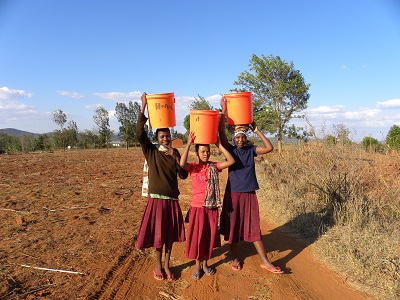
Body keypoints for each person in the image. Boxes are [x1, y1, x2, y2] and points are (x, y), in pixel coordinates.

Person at [218, 96, 284, 274]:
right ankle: (234, 256)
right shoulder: (229, 150)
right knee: (233, 225)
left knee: (254, 226)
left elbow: (269, 148)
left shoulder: (251, 150)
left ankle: (265, 261)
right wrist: (223, 111)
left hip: (249, 194)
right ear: (233, 138)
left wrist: (257, 130)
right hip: (233, 194)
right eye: (237, 137)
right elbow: (221, 134)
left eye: (242, 137)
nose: (240, 140)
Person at [135, 92, 188, 282]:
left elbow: (183, 175)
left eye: (168, 136)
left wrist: (176, 157)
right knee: (158, 236)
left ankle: (167, 264)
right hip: (157, 200)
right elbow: (140, 133)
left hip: (172, 201)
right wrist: (143, 106)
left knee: (169, 236)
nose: (166, 139)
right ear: (157, 138)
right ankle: (158, 265)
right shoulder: (151, 152)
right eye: (162, 136)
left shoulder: (175, 153)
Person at [180, 131, 235, 280]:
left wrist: (220, 145)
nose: (206, 154)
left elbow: (231, 161)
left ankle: (205, 264)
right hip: (197, 208)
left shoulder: (214, 166)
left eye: (208, 151)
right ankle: (197, 265)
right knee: (198, 238)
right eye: (203, 151)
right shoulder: (193, 167)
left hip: (211, 208)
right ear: (197, 153)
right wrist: (188, 144)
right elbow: (181, 163)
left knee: (208, 237)